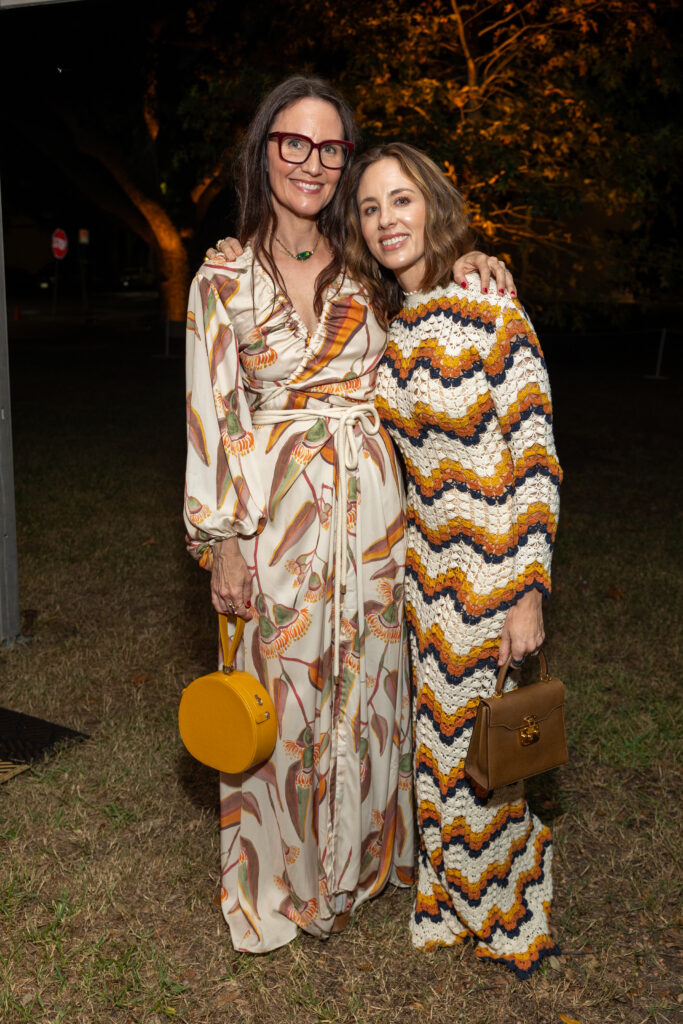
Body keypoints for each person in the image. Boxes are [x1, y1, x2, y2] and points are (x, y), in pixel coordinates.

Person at [185, 75, 510, 954]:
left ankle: (363, 864)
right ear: (265, 152)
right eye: (293, 143)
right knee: (279, 693)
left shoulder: (368, 265)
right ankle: (279, 878)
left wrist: (473, 259)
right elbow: (210, 414)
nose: (312, 163)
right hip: (274, 518)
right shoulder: (222, 274)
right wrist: (219, 540)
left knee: (368, 687)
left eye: (330, 148)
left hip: (372, 512)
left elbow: (439, 289)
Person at [345, 142, 562, 977]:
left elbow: (535, 456)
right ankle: (446, 896)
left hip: (495, 567)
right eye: (369, 208)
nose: (386, 220)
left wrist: (529, 589)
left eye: (400, 201)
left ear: (433, 207)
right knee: (436, 751)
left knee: (489, 752)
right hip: (424, 575)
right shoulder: (392, 324)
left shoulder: (492, 308)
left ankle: (509, 906)